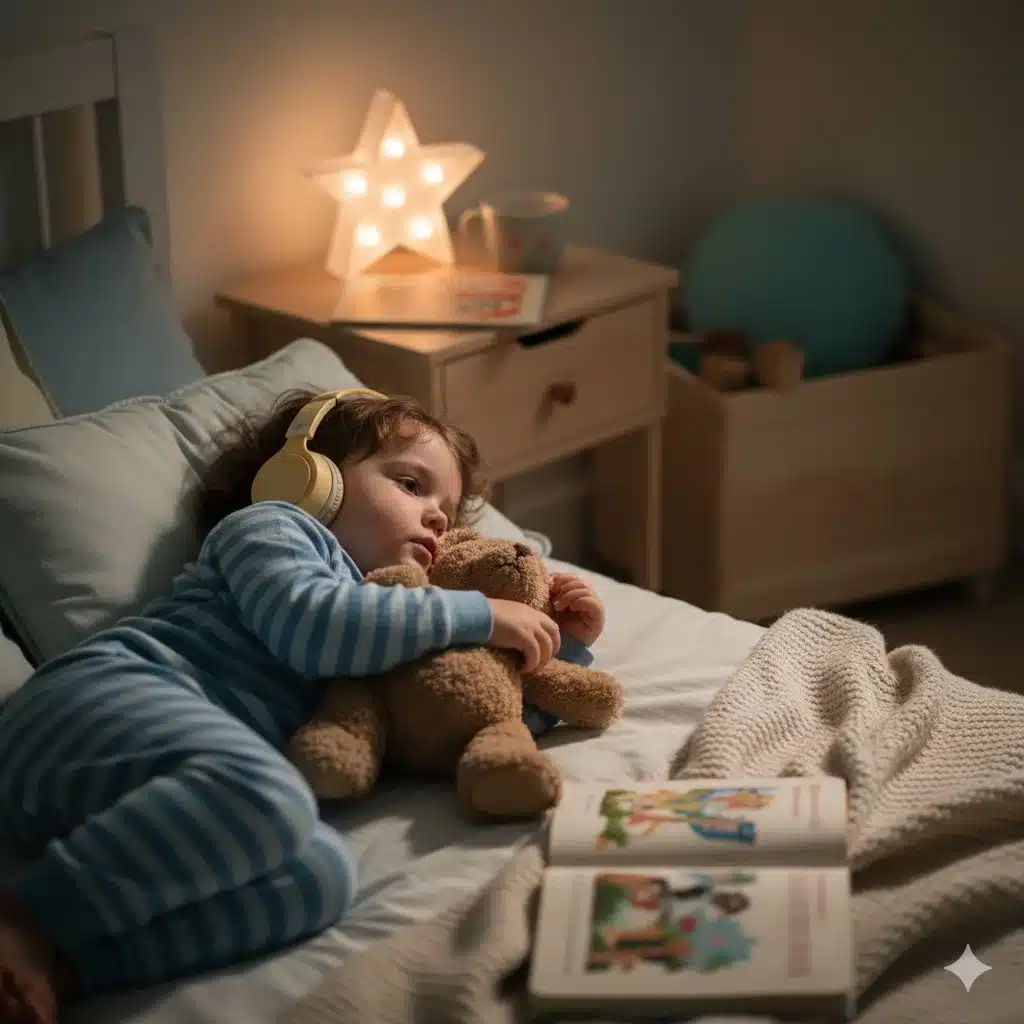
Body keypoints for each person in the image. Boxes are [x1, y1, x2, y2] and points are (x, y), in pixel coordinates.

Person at [0, 387, 607, 1023]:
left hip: (142, 793)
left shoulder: (399, 626)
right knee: (267, 792)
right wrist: (478, 613)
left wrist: (560, 646)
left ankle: (65, 967)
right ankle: (26, 918)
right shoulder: (275, 528)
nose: (436, 519)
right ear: (311, 478)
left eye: (448, 515)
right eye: (410, 484)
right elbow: (314, 628)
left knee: (319, 877)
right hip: (95, 703)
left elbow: (449, 723)